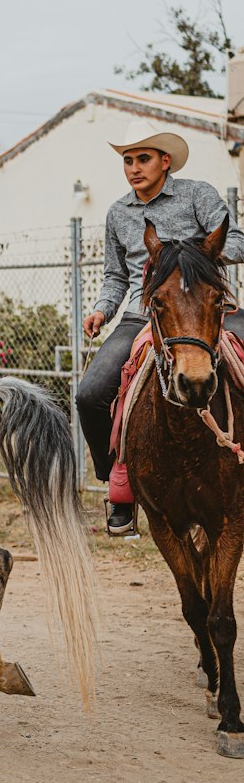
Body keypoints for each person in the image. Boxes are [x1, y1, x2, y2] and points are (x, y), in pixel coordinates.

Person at [76, 119, 244, 534]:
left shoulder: (197, 195)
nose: (134, 167)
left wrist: (191, 257)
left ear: (165, 161)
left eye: (144, 158)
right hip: (142, 314)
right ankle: (120, 487)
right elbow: (116, 276)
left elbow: (237, 240)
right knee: (90, 395)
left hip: (208, 309)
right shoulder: (118, 212)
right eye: (128, 160)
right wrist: (102, 309)